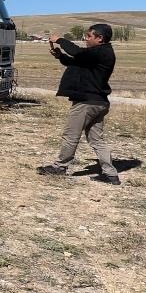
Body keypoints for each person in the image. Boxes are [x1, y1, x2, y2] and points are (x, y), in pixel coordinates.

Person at [37, 23, 120, 184]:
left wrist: (60, 39)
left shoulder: (101, 52)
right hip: (99, 102)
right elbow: (76, 63)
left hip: (87, 103)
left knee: (71, 136)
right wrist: (60, 56)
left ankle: (60, 167)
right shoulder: (99, 53)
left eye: (89, 36)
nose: (86, 39)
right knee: (96, 139)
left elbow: (77, 52)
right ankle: (111, 175)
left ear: (100, 38)